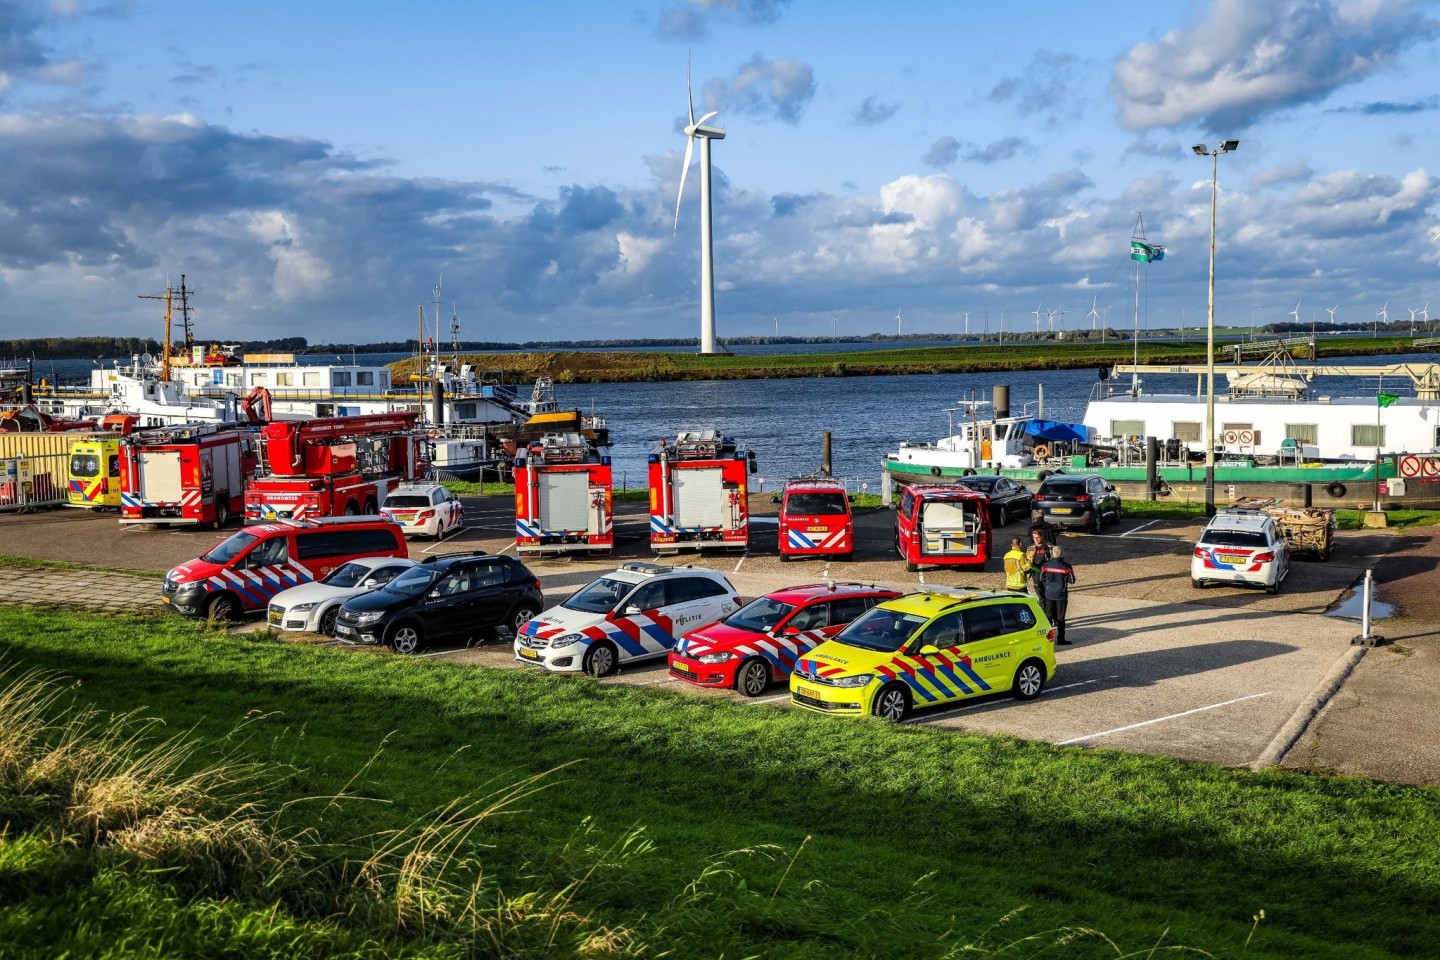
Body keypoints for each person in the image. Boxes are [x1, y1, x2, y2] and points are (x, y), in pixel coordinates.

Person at [1039, 545, 1076, 645]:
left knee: (1048, 616)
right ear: (1062, 554)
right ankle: (1060, 639)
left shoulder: (1046, 564)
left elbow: (1041, 578)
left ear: (1052, 554)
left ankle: (1045, 639)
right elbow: (1072, 580)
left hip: (1049, 594)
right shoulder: (1067, 566)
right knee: (1060, 618)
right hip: (1061, 595)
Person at [1024, 527, 1049, 597]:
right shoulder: (1030, 548)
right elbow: (1027, 560)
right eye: (1034, 537)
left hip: (1046, 573)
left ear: (1042, 537)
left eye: (1038, 537)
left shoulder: (1049, 546)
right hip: (1035, 573)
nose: (1036, 539)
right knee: (1039, 593)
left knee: (1047, 593)